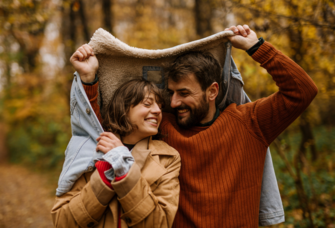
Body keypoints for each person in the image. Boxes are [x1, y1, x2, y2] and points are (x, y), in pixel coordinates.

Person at [81, 24, 318, 227]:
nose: (173, 102)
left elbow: (302, 91)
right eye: (171, 93)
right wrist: (89, 79)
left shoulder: (250, 122)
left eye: (184, 93)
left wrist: (257, 47)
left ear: (212, 91)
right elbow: (107, 121)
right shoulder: (163, 127)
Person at [51, 52, 181, 227]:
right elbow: (62, 222)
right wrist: (104, 177)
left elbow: (160, 223)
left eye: (160, 105)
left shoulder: (169, 158)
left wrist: (125, 167)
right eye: (148, 104)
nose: (158, 111)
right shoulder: (89, 148)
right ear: (124, 109)